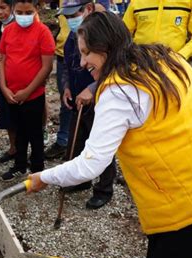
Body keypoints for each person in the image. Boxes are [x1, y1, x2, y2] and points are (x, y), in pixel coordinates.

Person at [28, 12, 192, 258]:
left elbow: (91, 163)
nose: (82, 61)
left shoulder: (119, 91)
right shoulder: (164, 58)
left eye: (87, 53)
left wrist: (44, 177)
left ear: (106, 47)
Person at [57, 0, 115, 210]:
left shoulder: (103, 36)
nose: (71, 20)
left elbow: (113, 69)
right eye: (68, 17)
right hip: (77, 101)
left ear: (88, 9)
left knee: (100, 144)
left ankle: (104, 189)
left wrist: (92, 88)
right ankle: (81, 180)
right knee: (77, 139)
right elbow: (65, 66)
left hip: (99, 99)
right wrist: (66, 87)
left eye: (76, 14)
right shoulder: (72, 39)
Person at [0, 0, 55, 181]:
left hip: (33, 95)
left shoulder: (43, 32)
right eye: (19, 12)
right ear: (14, 10)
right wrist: (3, 87)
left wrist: (28, 91)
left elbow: (46, 67)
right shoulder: (8, 30)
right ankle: (20, 165)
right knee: (18, 131)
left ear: (36, 9)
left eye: (28, 12)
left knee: (35, 133)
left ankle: (38, 169)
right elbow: (1, 59)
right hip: (11, 94)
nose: (23, 16)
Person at [123, 0, 192, 60]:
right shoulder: (136, 2)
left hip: (173, 67)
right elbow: (122, 33)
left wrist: (181, 56)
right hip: (139, 64)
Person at [43, 0, 70, 160]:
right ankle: (63, 142)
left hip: (87, 53)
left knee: (89, 105)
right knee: (66, 101)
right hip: (62, 55)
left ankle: (83, 146)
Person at [0, 0, 16, 163]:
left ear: (11, 7)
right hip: (2, 77)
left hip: (19, 76)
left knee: (22, 114)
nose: (0, 12)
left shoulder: (20, 24)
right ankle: (13, 147)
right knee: (7, 114)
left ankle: (25, 148)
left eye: (3, 8)